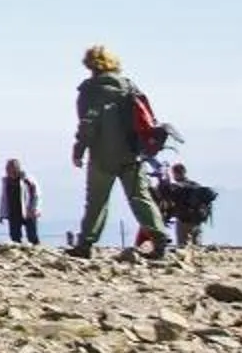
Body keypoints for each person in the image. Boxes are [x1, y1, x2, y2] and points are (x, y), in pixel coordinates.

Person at [70, 44, 168, 259]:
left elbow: (88, 123)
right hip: (132, 153)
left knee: (96, 201)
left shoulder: (91, 90)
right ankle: (160, 239)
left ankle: (85, 244)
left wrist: (79, 148)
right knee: (140, 198)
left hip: (102, 156)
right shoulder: (129, 87)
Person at [157, 163, 216, 251]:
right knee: (196, 246)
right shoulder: (196, 185)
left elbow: (167, 196)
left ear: (175, 173)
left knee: (182, 247)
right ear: (184, 172)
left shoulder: (177, 187)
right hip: (197, 220)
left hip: (183, 221)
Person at [0, 159, 42, 245]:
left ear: (17, 168)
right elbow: (3, 199)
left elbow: (36, 194)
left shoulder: (28, 180)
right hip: (13, 212)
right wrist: (2, 214)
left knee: (32, 236)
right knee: (15, 237)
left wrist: (34, 209)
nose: (8, 171)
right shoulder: (6, 181)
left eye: (10, 168)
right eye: (7, 169)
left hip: (29, 211)